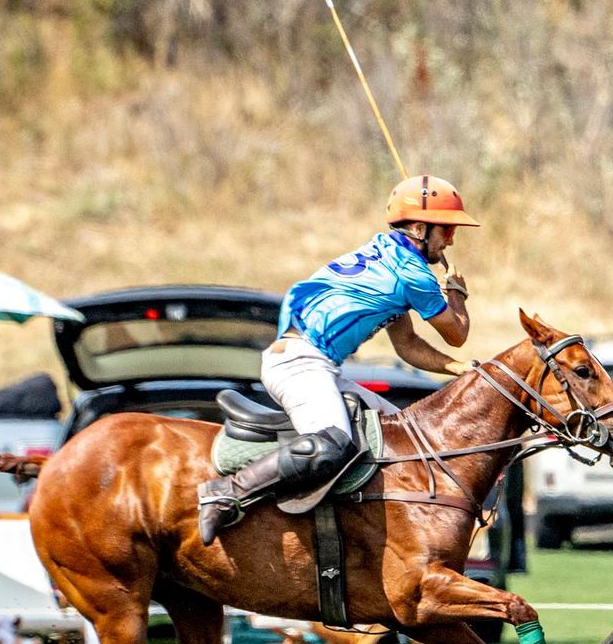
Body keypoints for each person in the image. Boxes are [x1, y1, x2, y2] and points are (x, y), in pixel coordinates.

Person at [197, 175, 479, 542]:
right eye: (447, 230)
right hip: (300, 363)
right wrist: (456, 293)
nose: (452, 240)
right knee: (332, 442)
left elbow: (407, 344)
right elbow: (457, 334)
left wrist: (461, 370)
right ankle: (227, 493)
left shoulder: (386, 255)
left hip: (317, 365)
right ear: (420, 227)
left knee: (403, 435)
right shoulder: (412, 273)